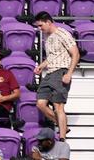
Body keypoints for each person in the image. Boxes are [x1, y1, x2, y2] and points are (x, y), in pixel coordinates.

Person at [32, 11, 78, 141]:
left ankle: (62, 136)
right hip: (50, 72)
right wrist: (42, 65)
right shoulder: (47, 36)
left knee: (58, 106)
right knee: (40, 103)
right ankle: (62, 125)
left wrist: (69, 73)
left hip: (61, 71)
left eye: (41, 25)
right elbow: (52, 56)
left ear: (48, 22)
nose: (39, 28)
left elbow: (76, 53)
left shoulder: (63, 33)